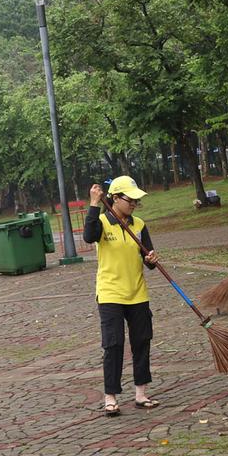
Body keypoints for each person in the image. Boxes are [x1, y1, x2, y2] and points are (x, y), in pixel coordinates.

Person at [84, 176, 159, 417]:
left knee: (141, 342)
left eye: (137, 200)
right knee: (113, 345)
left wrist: (151, 260)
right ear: (115, 199)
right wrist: (94, 205)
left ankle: (141, 393)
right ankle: (110, 397)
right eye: (130, 199)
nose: (134, 204)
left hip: (137, 292)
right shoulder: (103, 222)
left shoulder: (139, 224)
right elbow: (88, 235)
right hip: (110, 294)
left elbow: (148, 260)